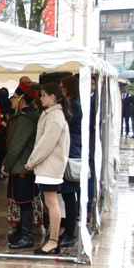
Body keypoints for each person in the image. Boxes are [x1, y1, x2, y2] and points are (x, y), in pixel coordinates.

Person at [24, 82, 71, 255]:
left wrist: (32, 161)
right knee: (52, 203)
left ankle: (53, 241)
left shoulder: (54, 115)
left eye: (43, 95)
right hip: (48, 166)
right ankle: (54, 238)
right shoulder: (53, 114)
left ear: (52, 96)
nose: (40, 98)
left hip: (49, 167)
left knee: (52, 203)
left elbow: (46, 143)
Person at [1, 83, 41, 249]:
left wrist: (6, 164)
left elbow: (17, 145)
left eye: (15, 97)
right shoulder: (25, 116)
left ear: (23, 100)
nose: (12, 100)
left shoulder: (25, 119)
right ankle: (21, 233)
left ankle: (27, 236)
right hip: (22, 166)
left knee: (24, 201)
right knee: (21, 200)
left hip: (22, 167)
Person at [57, 75, 83, 248]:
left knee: (68, 195)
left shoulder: (74, 105)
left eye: (62, 86)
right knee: (66, 195)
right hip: (69, 149)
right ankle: (66, 229)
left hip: (70, 151)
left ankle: (70, 232)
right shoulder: (73, 104)